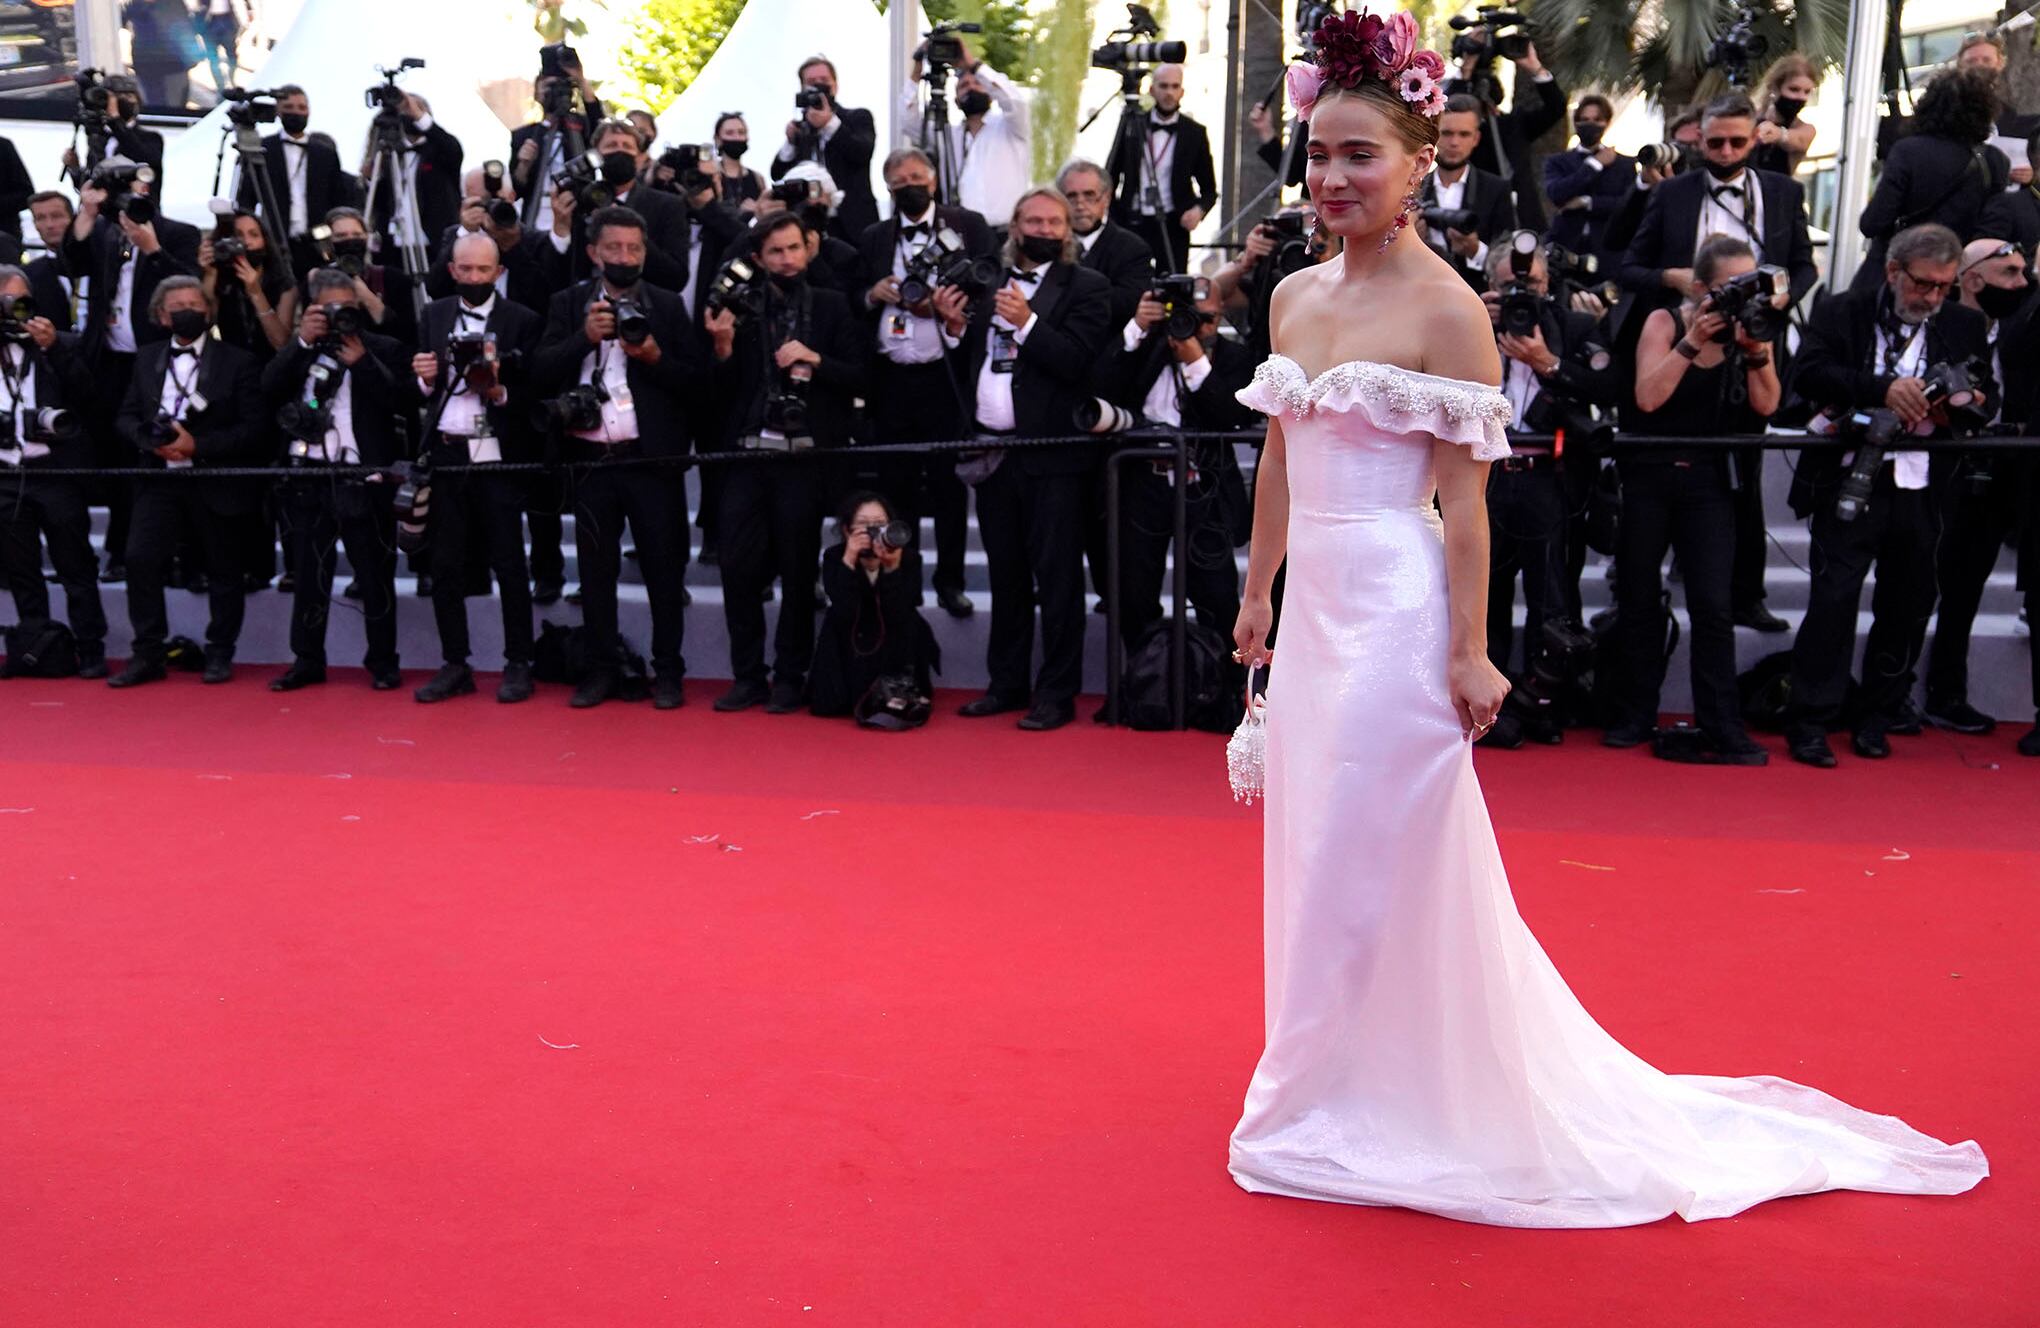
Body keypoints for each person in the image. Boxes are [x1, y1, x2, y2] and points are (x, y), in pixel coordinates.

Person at [1224, 9, 1987, 1225]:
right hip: (1312, 612)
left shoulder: (1449, 311)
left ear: (1421, 158)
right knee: (1312, 848)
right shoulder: (1295, 295)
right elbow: (1278, 452)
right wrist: (1258, 589)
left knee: (1379, 856)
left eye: (1359, 153)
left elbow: (1466, 506)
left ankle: (1373, 1092)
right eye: (1319, 154)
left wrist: (1469, 649)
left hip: (1394, 612)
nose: (1332, 178)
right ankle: (1325, 1078)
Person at [1784, 223, 1994, 766]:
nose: (1933, 297)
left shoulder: (1964, 324)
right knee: (1832, 602)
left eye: (1945, 287)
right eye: (1924, 284)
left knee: (1907, 606)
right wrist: (1882, 388)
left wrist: (1962, 402)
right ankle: (1810, 717)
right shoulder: (1842, 310)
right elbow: (1807, 374)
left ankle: (1879, 714)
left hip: (1924, 485)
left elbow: (1984, 399)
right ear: (1893, 271)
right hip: (1849, 475)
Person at [1620, 91, 1819, 635]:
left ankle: (1745, 594)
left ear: (1756, 137)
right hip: (1682, 337)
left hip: (1752, 338)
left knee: (1745, 470)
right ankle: (1635, 591)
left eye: (1737, 140)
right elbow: (1629, 265)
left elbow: (1805, 266)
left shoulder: (1783, 191)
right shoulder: (1674, 193)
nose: (1727, 151)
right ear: (1698, 140)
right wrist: (1673, 280)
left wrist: (1779, 299)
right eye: (1715, 142)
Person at [934, 187, 1113, 731]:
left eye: (1053, 221)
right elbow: (971, 365)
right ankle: (1005, 683)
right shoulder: (988, 282)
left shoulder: (1089, 286)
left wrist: (1029, 323)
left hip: (1052, 457)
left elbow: (1079, 362)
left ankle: (1056, 693)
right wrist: (954, 327)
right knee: (1006, 575)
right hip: (993, 453)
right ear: (1013, 226)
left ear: (1067, 231)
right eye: (1032, 219)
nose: (1043, 228)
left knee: (1056, 579)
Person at [1610, 236, 1779, 764]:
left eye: (1749, 284)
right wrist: (1691, 342)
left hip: (1710, 483)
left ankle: (1722, 724)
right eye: (1731, 286)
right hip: (1650, 478)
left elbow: (1768, 404)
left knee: (1713, 605)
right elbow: (1647, 397)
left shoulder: (1750, 330)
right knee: (1639, 600)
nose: (1740, 296)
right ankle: (1632, 714)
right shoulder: (1664, 321)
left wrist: (1754, 351)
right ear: (1702, 287)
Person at [530, 205, 703, 709]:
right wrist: (583, 339)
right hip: (589, 461)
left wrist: (654, 358)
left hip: (650, 461)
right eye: (614, 248)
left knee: (664, 572)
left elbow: (696, 383)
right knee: (596, 573)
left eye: (634, 249)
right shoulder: (567, 304)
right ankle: (601, 668)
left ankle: (669, 671)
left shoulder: (668, 306)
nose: (625, 257)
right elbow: (539, 372)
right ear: (593, 253)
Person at [703, 212, 866, 714]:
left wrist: (816, 360)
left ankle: (790, 676)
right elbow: (712, 392)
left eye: (794, 248)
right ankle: (748, 675)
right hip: (748, 456)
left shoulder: (834, 307)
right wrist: (723, 344)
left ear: (808, 249)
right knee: (736, 567)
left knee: (798, 572)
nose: (787, 259)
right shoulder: (737, 309)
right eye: (776, 251)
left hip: (805, 459)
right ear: (758, 258)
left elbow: (862, 376)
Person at [1475, 236, 1620, 748]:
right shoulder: (1468, 325)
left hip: (1549, 480)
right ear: (1490, 287)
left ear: (1549, 284)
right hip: (1483, 479)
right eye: (1510, 287)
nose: (1522, 295)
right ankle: (1482, 708)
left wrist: (1547, 362)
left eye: (1532, 285)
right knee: (1481, 596)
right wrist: (1480, 333)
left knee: (1550, 597)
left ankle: (1542, 704)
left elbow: (1610, 387)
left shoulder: (1574, 326)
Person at [855, 147, 996, 619]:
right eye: (898, 180)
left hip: (946, 376)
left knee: (947, 486)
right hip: (891, 379)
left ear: (933, 182)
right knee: (895, 486)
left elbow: (990, 289)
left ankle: (950, 581)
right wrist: (871, 293)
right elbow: (853, 295)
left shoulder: (969, 225)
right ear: (888, 188)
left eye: (916, 176)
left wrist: (941, 310)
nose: (908, 185)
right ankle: (903, 580)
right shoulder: (875, 236)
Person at [108, 278, 267, 687]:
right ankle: (148, 651)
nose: (187, 310)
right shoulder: (144, 359)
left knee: (222, 567)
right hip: (158, 479)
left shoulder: (238, 361)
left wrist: (198, 445)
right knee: (140, 559)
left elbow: (253, 429)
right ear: (161, 315)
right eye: (177, 305)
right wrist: (148, 440)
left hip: (213, 478)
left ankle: (219, 652)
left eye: (195, 303)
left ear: (209, 310)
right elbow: (124, 416)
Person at [412, 233, 547, 705]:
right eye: (464, 270)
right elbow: (419, 392)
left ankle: (518, 662)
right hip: (447, 454)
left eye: (482, 270)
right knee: (444, 564)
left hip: (497, 455)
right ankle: (455, 663)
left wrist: (498, 392)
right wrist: (425, 379)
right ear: (451, 270)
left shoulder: (523, 321)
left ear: (498, 272)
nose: (473, 278)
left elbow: (535, 392)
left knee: (510, 562)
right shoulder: (432, 314)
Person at [262, 269, 409, 691]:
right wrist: (303, 341)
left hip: (366, 477)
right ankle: (307, 659)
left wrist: (361, 362)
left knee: (376, 576)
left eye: (348, 306)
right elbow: (269, 387)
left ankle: (382, 661)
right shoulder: (301, 349)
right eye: (330, 308)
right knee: (309, 576)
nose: (340, 314)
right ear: (313, 310)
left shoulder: (383, 348)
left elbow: (398, 400)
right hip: (308, 478)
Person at [1096, 278, 1258, 660]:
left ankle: (1220, 690)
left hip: (1205, 488)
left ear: (1219, 317)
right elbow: (1104, 386)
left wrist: (1196, 362)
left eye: (1208, 319)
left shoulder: (1234, 357)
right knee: (1134, 591)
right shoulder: (1149, 346)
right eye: (1188, 316)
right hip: (1142, 486)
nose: (1197, 326)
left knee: (1215, 593)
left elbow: (1230, 414)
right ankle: (1140, 686)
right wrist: (1137, 327)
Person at [64, 169, 201, 584]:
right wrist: (86, 214)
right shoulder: (106, 233)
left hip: (161, 358)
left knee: (168, 455)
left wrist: (152, 248)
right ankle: (120, 550)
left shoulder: (179, 231)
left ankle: (183, 556)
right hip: (110, 361)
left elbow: (191, 288)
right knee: (119, 456)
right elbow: (73, 261)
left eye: (137, 190)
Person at [1920, 237, 2032, 735]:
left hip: (2006, 470)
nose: (2023, 283)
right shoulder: (1936, 326)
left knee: (1967, 588)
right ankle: (1894, 694)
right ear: (1973, 278)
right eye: (2010, 273)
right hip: (1940, 470)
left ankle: (1948, 692)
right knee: (1920, 582)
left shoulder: (2024, 326)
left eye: (2024, 273)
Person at [0, 266, 106, 677]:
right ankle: (35, 648)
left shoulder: (64, 344)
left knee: (75, 566)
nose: (13, 313)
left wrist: (52, 350)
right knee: (21, 571)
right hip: (7, 475)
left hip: (56, 472)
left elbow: (90, 400)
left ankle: (91, 647)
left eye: (20, 303)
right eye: (4, 303)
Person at [1853, 68, 2009, 294]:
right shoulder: (1995, 161)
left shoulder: (1908, 151)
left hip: (1895, 280)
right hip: (1950, 284)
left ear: (1928, 106)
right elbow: (1992, 229)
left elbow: (1872, 223)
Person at [810, 490, 940, 725]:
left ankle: (899, 692)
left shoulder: (908, 558)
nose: (872, 532)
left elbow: (900, 613)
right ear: (846, 529)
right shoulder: (835, 556)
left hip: (893, 642)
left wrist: (892, 569)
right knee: (827, 703)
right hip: (850, 643)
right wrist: (849, 561)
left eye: (880, 524)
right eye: (863, 524)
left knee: (909, 622)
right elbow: (844, 611)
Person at [547, 119, 693, 292]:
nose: (620, 150)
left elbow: (676, 277)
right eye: (611, 145)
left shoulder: (668, 205)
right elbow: (557, 274)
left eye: (627, 146)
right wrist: (560, 229)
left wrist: (630, 233)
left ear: (639, 158)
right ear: (596, 156)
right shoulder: (578, 202)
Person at [1442, 30, 1566, 229]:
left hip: (1523, 224)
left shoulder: (1514, 126)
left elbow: (1556, 108)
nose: (1455, 139)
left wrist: (1534, 67)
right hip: (1475, 226)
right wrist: (1466, 68)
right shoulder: (1456, 134)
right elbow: (1447, 114)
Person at [902, 47, 1032, 227]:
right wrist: (917, 71)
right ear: (955, 99)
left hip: (1007, 232)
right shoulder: (947, 135)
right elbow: (909, 122)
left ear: (990, 93)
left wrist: (974, 65)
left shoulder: (1012, 127)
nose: (971, 87)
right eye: (963, 86)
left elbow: (1015, 101)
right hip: (962, 232)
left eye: (976, 83)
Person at [1106, 64, 1217, 274]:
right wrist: (1115, 218)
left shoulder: (1195, 133)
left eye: (1175, 87)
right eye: (1163, 86)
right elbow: (1109, 177)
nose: (1169, 93)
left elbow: (1209, 190)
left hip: (1174, 224)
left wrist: (1198, 211)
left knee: (1173, 287)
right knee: (1129, 279)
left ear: (1182, 92)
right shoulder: (1131, 125)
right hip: (1132, 221)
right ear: (1152, 89)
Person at [237, 87, 347, 279]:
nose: (296, 112)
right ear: (278, 111)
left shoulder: (325, 153)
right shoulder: (262, 148)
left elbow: (337, 197)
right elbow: (246, 197)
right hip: (275, 237)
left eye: (301, 107)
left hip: (318, 239)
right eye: (289, 107)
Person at [771, 55, 879, 241]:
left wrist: (828, 123)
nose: (818, 86)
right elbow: (778, 174)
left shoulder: (857, 117)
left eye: (824, 81)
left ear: (835, 86)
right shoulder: (802, 127)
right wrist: (790, 142)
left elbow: (861, 152)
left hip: (852, 221)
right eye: (811, 82)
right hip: (806, 221)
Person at [1420, 95, 1516, 291]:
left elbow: (1509, 257)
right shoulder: (1413, 188)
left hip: (1477, 297)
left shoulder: (1496, 189)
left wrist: (1477, 251)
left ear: (1476, 138)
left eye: (1464, 134)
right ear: (1434, 135)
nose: (1454, 142)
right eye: (1446, 133)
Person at [359, 92, 464, 266]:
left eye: (415, 111)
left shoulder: (439, 152)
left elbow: (452, 148)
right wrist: (371, 180)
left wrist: (418, 115)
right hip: (395, 244)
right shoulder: (389, 154)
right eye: (405, 112)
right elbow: (380, 203)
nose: (409, 115)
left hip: (433, 243)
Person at [1541, 94, 1635, 269]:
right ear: (1576, 123)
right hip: (1565, 249)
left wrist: (1587, 202)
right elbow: (1556, 193)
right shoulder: (1558, 162)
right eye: (1584, 119)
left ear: (1607, 122)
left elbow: (1628, 205)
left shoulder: (1624, 164)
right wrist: (1594, 164)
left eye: (1597, 119)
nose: (1590, 124)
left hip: (1608, 253)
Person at [1061, 158, 1153, 328]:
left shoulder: (1132, 249)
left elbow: (1127, 303)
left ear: (1106, 199)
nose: (1080, 205)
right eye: (1071, 196)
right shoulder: (1047, 244)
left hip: (1108, 345)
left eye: (1089, 196)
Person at [314, 207, 417, 350]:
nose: (350, 240)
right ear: (330, 242)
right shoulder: (318, 279)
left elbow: (406, 335)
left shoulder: (393, 279)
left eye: (356, 235)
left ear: (367, 238)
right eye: (341, 236)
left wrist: (367, 296)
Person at [201, 210, 297, 360]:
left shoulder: (284, 284)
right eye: (238, 235)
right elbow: (205, 322)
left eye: (254, 234)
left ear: (265, 241)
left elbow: (281, 342)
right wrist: (210, 275)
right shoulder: (223, 280)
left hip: (271, 366)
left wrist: (256, 293)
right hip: (231, 365)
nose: (246, 242)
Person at [1751, 55, 1818, 178]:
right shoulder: (1750, 117)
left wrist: (1778, 134)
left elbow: (1798, 139)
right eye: (1794, 89)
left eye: (1807, 92)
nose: (1800, 97)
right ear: (1775, 88)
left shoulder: (1806, 129)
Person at [711, 112, 766, 211]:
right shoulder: (710, 175)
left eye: (741, 132)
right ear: (717, 139)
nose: (736, 137)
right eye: (729, 133)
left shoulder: (757, 178)